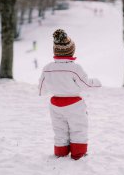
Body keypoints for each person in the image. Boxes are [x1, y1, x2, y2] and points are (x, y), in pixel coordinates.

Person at [38, 29, 101, 160]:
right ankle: (78, 153)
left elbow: (41, 89)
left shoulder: (47, 68)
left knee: (59, 129)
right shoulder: (74, 68)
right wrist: (97, 83)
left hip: (55, 105)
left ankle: (60, 152)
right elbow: (86, 84)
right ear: (71, 51)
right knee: (78, 128)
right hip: (74, 105)